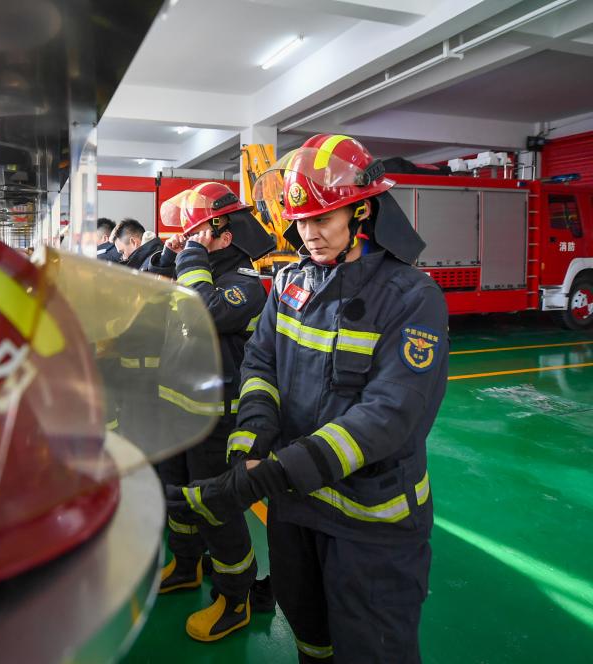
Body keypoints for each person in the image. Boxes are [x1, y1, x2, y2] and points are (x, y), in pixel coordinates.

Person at [167, 134, 449, 663]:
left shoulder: (412, 297)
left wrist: (264, 477)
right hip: (297, 514)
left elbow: (389, 417)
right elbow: (260, 366)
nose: (309, 235)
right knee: (310, 640)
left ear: (362, 211)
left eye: (324, 219)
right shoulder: (292, 282)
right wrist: (247, 447)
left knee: (371, 651)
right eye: (300, 222)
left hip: (371, 526)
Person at [149, 182, 277, 642]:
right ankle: (186, 567)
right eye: (190, 234)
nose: (193, 240)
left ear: (226, 234)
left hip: (215, 421)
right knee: (176, 499)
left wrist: (190, 261)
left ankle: (235, 597)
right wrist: (170, 256)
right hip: (175, 414)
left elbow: (200, 315)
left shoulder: (247, 286)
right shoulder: (190, 272)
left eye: (201, 232)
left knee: (215, 511)